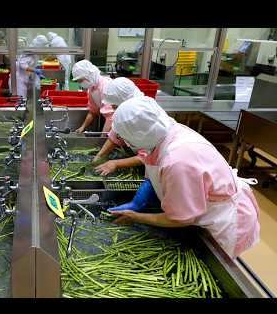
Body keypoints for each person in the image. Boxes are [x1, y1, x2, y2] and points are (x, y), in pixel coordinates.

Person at [107, 96, 260, 259]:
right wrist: (139, 201)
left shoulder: (177, 161)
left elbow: (182, 218)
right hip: (206, 204)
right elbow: (152, 163)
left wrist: (136, 217)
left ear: (138, 136)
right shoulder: (163, 133)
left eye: (124, 137)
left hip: (222, 220)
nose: (123, 141)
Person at [93, 78, 146, 175]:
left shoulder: (142, 117)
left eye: (114, 106)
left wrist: (116, 163)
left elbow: (146, 156)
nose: (112, 109)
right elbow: (115, 134)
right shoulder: (126, 113)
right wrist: (99, 156)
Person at [71, 60, 113, 133]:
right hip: (109, 122)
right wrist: (82, 127)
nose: (80, 83)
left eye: (81, 80)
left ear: (89, 75)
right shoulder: (92, 89)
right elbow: (93, 111)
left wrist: (102, 138)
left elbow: (110, 117)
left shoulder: (106, 86)